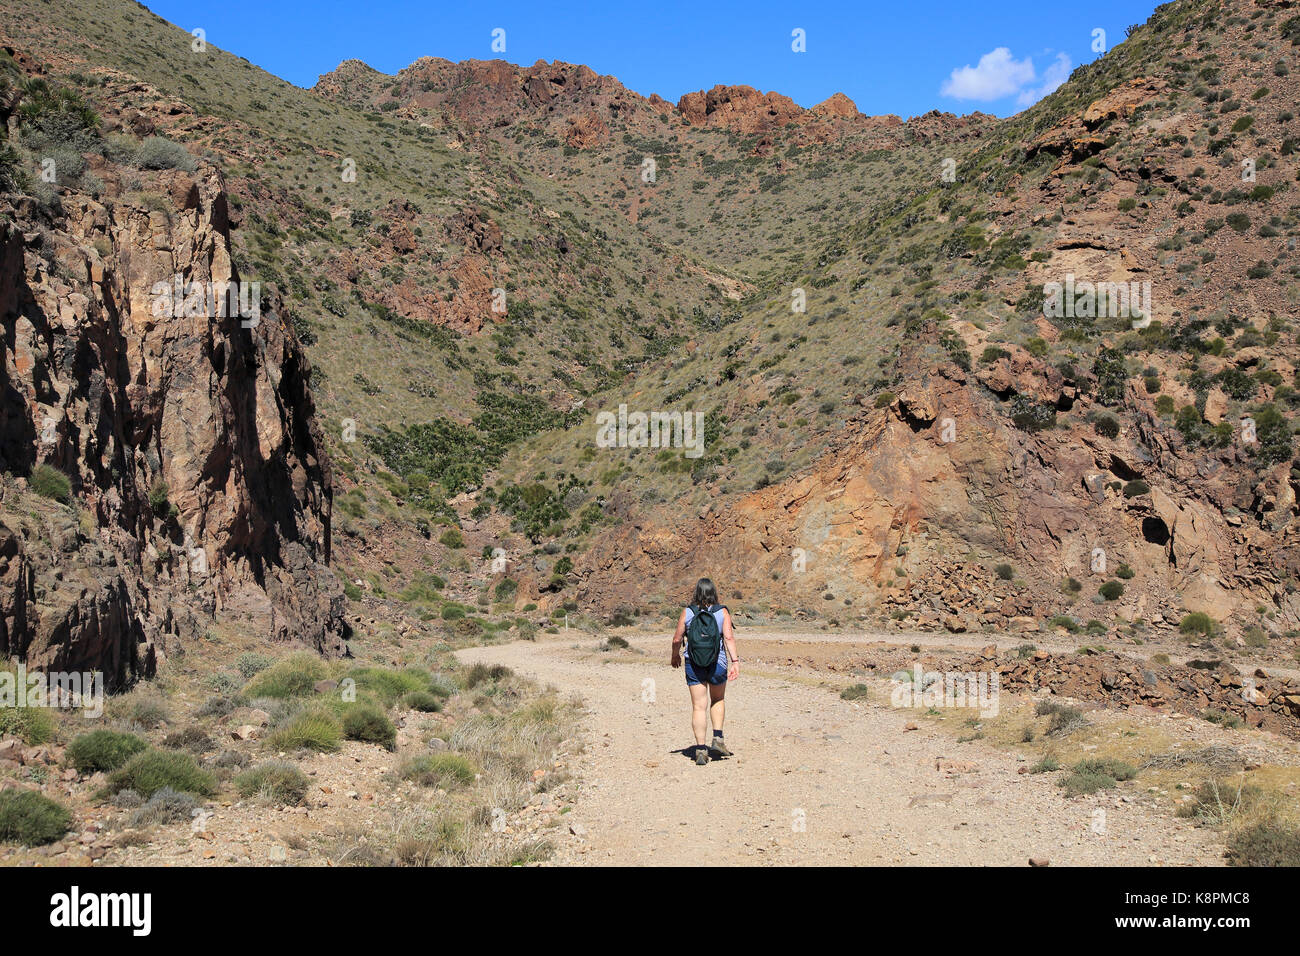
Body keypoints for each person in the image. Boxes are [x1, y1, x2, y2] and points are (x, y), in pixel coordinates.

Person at [670, 578, 739, 765]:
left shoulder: (688, 612)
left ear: (696, 593)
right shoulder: (722, 612)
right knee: (718, 699)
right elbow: (729, 638)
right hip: (718, 662)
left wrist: (675, 656)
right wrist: (735, 661)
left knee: (698, 706)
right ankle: (717, 739)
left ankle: (700, 750)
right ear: (714, 593)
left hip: (694, 663)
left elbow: (677, 639)